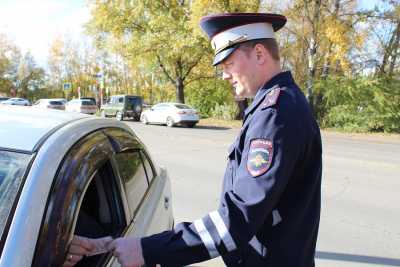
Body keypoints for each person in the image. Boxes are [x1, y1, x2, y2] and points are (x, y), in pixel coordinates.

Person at [75, 12, 323, 267]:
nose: (224, 75)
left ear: (259, 54)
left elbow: (236, 219)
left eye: (228, 64)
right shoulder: (278, 104)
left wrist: (146, 249)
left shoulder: (275, 114)